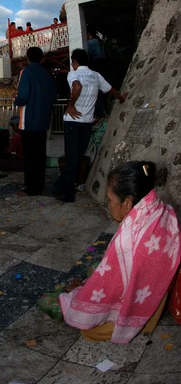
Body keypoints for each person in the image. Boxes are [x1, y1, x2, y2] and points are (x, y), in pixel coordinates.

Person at [39, 161, 181, 343]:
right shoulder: (162, 209)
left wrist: (77, 293)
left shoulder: (127, 241)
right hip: (152, 293)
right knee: (97, 268)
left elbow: (109, 287)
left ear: (128, 203)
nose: (109, 206)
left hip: (136, 307)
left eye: (111, 200)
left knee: (49, 301)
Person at [54, 48, 126, 202]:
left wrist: (71, 105)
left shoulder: (73, 74)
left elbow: (77, 87)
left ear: (74, 62)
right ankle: (59, 186)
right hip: (87, 123)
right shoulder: (96, 75)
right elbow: (111, 90)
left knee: (71, 158)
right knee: (78, 157)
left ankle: (67, 194)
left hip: (72, 122)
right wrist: (121, 98)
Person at [14, 46, 57, 195]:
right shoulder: (47, 74)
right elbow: (53, 97)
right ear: (41, 58)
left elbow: (23, 98)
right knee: (39, 155)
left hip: (28, 121)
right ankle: (39, 186)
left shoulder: (25, 73)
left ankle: (30, 189)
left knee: (29, 157)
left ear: (27, 58)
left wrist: (16, 100)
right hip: (43, 120)